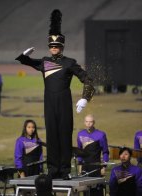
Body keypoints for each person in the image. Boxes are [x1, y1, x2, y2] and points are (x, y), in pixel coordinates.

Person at [15, 9, 95, 180]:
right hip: (49, 102)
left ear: (62, 46)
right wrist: (24, 55)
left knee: (65, 135)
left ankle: (65, 170)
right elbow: (28, 61)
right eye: (51, 46)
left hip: (64, 102)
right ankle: (53, 169)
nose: (54, 49)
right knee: (52, 135)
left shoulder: (69, 63)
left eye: (57, 46)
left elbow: (88, 79)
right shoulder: (44, 62)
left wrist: (84, 98)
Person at [77, 114, 109, 196]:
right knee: (86, 191)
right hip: (85, 167)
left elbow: (105, 152)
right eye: (87, 122)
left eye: (90, 122)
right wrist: (80, 166)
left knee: (97, 191)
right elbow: (79, 152)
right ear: (84, 122)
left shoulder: (101, 134)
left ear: (94, 122)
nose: (88, 124)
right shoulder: (80, 134)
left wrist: (103, 167)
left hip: (96, 167)